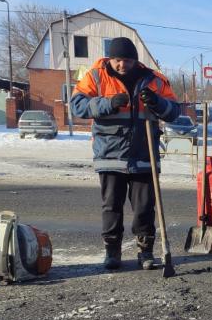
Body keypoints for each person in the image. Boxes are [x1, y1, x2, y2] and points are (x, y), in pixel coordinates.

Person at [71, 37, 180, 270]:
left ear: (135, 61)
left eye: (127, 60)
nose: (122, 65)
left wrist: (157, 102)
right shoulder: (96, 76)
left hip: (144, 154)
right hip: (110, 154)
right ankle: (112, 252)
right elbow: (77, 105)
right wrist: (108, 103)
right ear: (111, 59)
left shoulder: (154, 80)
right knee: (111, 207)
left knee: (144, 208)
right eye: (118, 60)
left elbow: (173, 112)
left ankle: (146, 251)